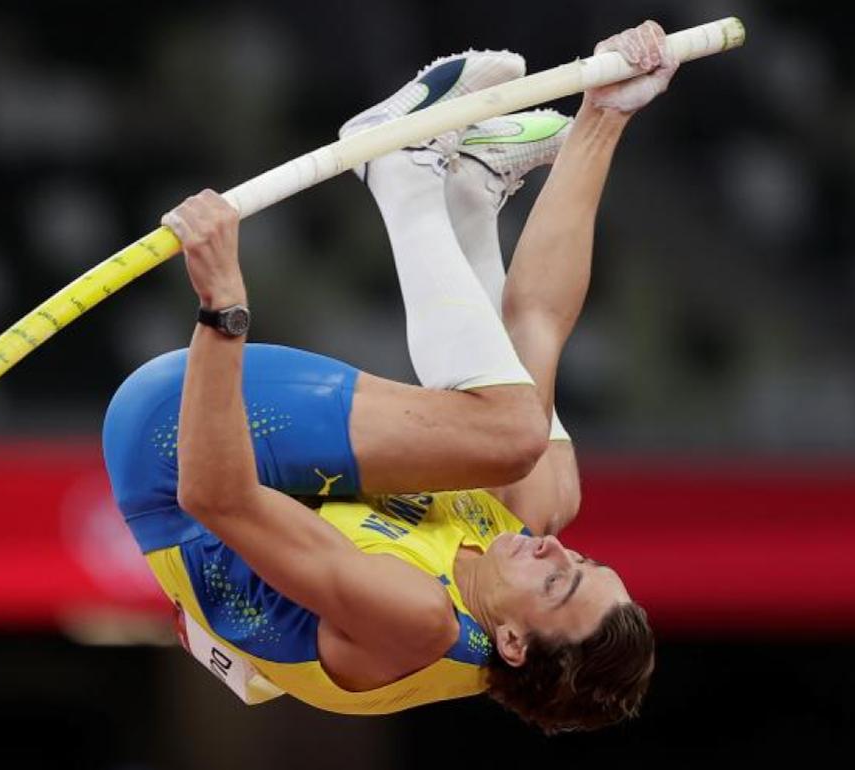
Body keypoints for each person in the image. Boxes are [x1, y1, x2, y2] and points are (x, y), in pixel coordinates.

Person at [103, 21, 676, 733]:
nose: (554, 552)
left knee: (513, 430)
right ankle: (470, 194)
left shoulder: (418, 621)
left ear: (513, 644)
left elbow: (215, 495)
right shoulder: (522, 536)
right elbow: (536, 323)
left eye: (557, 582)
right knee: (545, 477)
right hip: (262, 479)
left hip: (177, 457)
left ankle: (402, 170)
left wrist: (224, 306)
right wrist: (603, 114)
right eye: (582, 561)